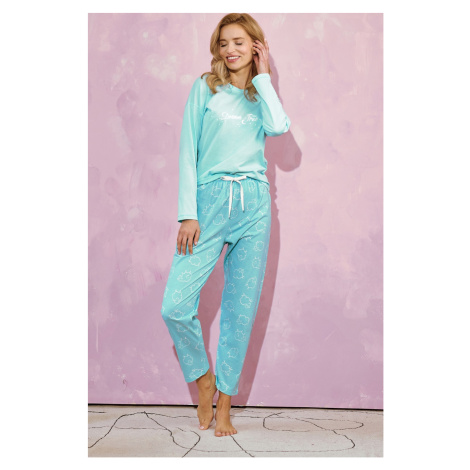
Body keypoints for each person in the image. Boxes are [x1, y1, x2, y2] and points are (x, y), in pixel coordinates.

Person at [160, 13, 291, 437]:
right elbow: (187, 150)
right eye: (223, 43)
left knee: (240, 310)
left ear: (256, 45)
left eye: (239, 41)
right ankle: (204, 379)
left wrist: (264, 76)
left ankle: (225, 407)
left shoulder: (261, 94)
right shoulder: (205, 88)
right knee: (175, 305)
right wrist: (188, 213)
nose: (230, 50)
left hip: (254, 206)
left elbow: (279, 127)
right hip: (209, 202)